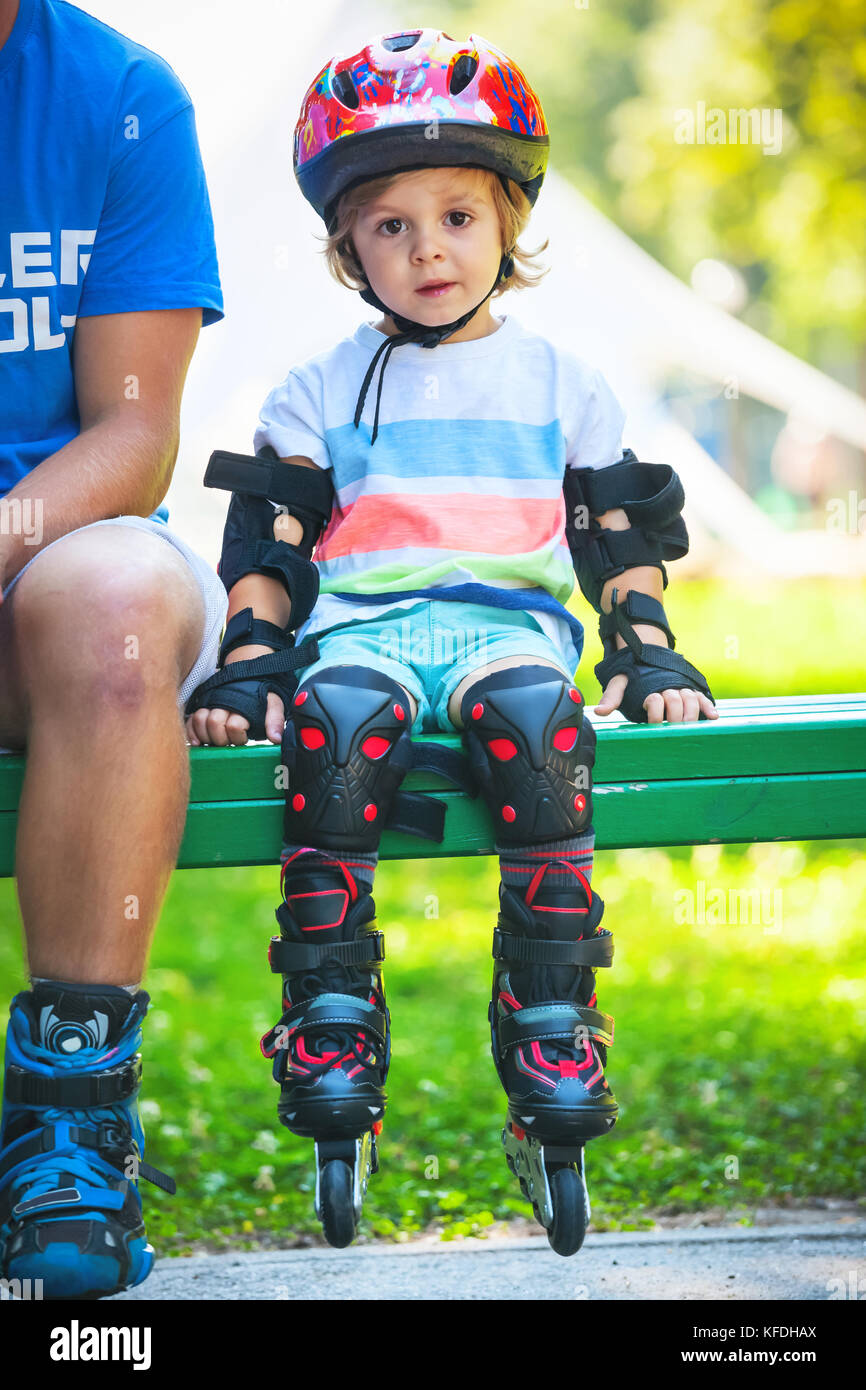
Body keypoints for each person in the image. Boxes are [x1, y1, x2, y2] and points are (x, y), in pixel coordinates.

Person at [185, 28, 717, 1253]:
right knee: (339, 727)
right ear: (343, 246)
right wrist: (253, 665)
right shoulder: (315, 388)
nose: (426, 249)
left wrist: (645, 652)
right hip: (361, 640)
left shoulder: (560, 382)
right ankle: (330, 1002)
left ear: (508, 223)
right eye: (388, 225)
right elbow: (269, 547)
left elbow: (612, 534)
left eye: (458, 216)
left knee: (541, 732)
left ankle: (547, 1012)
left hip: (501, 638)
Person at [0, 0, 226, 1297]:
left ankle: (69, 1130)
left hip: (44, 555)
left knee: (119, 609)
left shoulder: (123, 94)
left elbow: (133, 438)